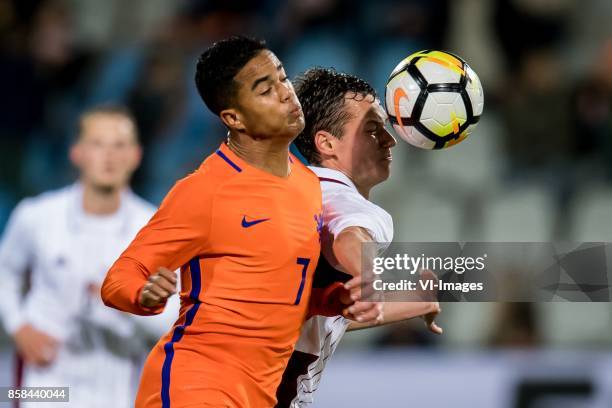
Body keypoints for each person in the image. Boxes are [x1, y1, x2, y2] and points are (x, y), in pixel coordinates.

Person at [101, 36, 380, 408]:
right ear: (234, 118)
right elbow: (119, 278)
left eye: (283, 78)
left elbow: (280, 291)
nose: (285, 94)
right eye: (266, 90)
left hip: (258, 394)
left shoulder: (306, 184)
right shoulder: (206, 192)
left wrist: (334, 300)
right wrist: (144, 294)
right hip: (195, 386)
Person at [276, 68, 443, 407]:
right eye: (372, 130)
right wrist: (368, 272)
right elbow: (349, 235)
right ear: (326, 143)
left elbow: (319, 316)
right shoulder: (347, 202)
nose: (390, 139)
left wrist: (415, 300)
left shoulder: (295, 192)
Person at [0, 105, 178, 407]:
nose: (109, 156)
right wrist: (18, 326)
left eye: (119, 145)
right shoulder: (36, 215)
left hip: (117, 386)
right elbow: (5, 273)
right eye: (97, 144)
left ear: (136, 155)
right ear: (77, 153)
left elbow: (173, 320)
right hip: (45, 384)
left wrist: (127, 301)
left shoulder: (155, 229)